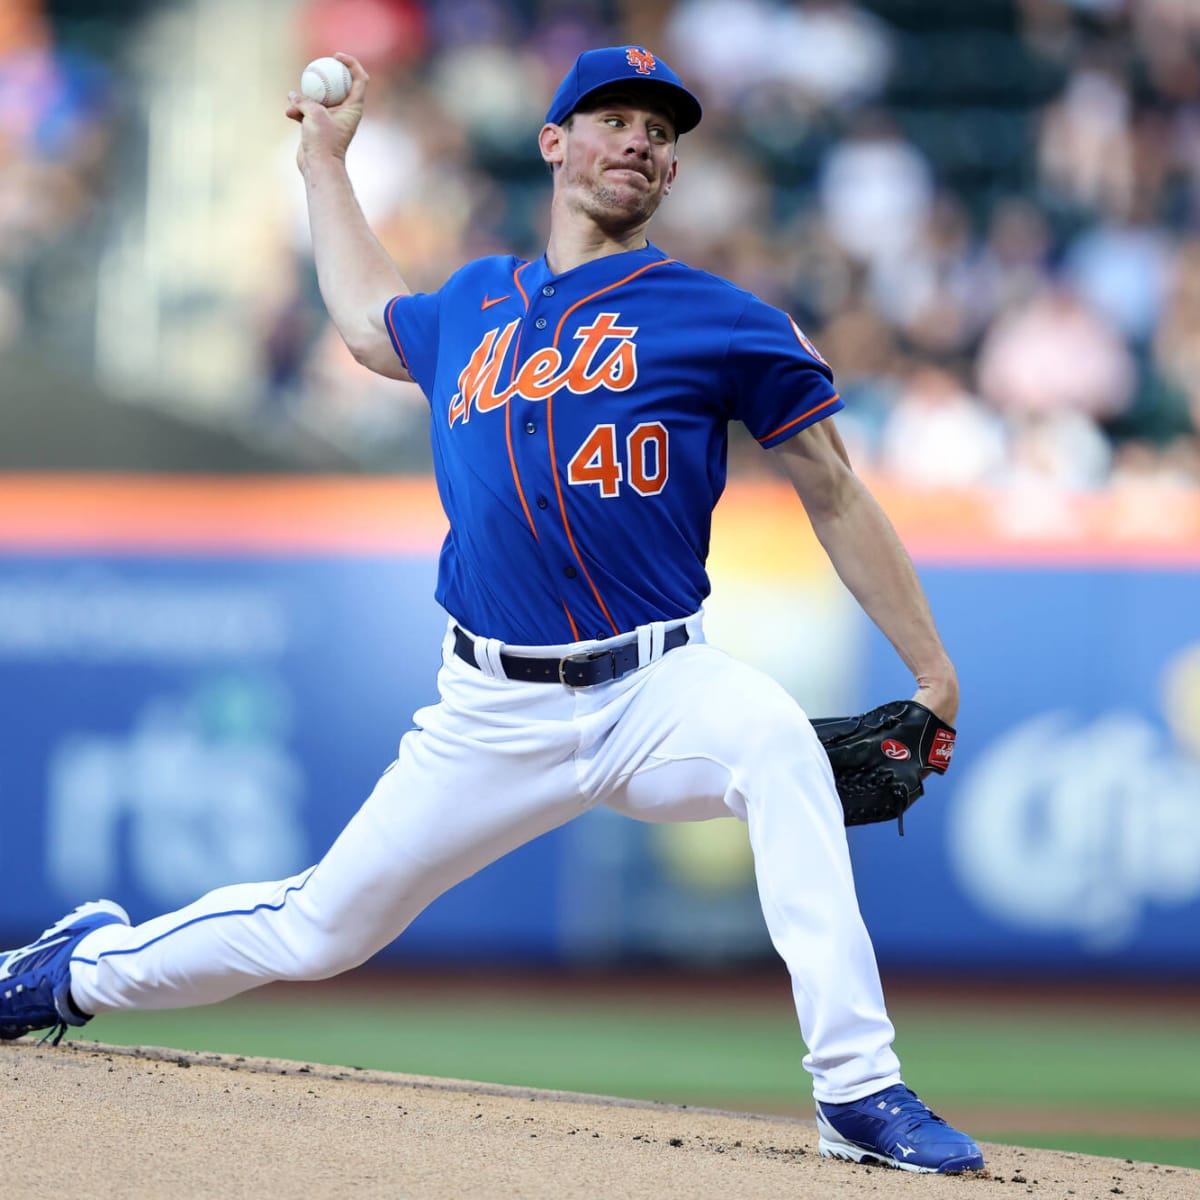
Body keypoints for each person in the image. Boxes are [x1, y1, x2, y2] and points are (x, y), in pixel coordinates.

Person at [0, 46, 983, 1175]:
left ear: (670, 173)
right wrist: (324, 161)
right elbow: (371, 323)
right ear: (555, 143)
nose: (641, 143)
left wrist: (930, 667)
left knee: (777, 746)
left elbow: (835, 487)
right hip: (488, 712)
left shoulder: (721, 319)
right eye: (613, 118)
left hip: (658, 686)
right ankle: (71, 969)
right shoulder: (474, 301)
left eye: (661, 133)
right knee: (319, 931)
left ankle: (858, 1091)